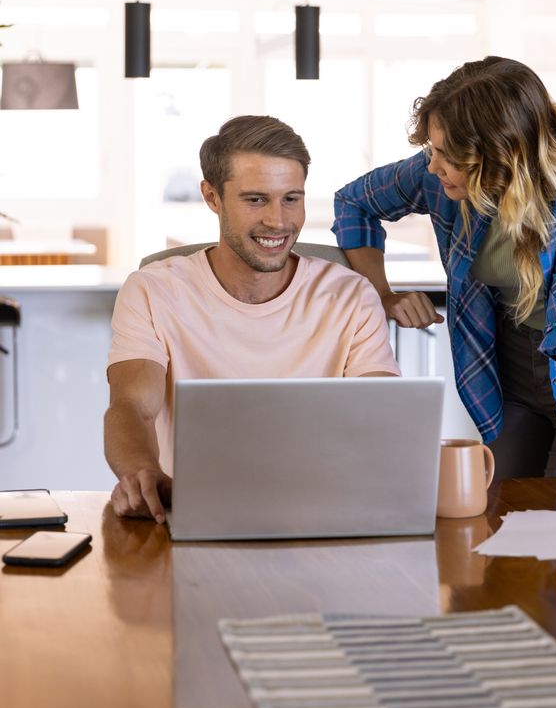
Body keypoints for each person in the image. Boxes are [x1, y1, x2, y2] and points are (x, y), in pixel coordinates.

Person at [333, 56, 556, 493]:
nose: (431, 166)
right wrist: (381, 293)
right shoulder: (437, 177)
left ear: (499, 154)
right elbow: (355, 203)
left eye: (446, 154)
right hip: (509, 371)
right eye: (432, 149)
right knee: (506, 519)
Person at [105, 115, 399, 523]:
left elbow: (382, 418)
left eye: (291, 198)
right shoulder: (153, 290)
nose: (278, 221)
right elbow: (132, 406)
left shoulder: (350, 295)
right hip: (194, 512)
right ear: (212, 197)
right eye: (256, 199)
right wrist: (142, 472)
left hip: (325, 512)